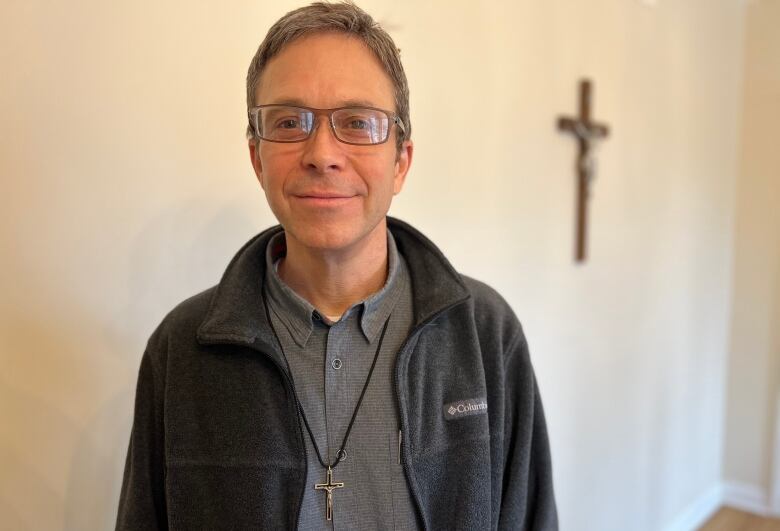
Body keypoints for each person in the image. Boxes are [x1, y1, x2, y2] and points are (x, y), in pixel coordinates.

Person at [115, 2, 558, 530]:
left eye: (356, 122)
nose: (322, 153)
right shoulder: (182, 349)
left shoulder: (484, 334)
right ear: (257, 158)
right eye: (288, 122)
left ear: (401, 161)